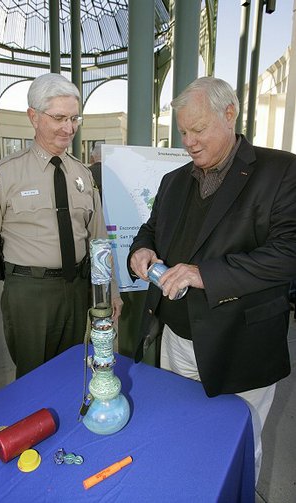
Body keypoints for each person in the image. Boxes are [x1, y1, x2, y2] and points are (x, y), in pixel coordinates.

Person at [127, 76, 296, 482]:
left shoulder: (282, 170)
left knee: (238, 444)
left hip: (241, 343)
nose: (189, 140)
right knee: (182, 432)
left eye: (199, 128)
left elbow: (288, 253)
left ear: (230, 113)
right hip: (177, 339)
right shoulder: (173, 180)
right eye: (184, 131)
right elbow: (151, 229)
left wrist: (205, 274)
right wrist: (142, 249)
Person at [0, 73, 122, 378]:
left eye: (74, 118)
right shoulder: (3, 175)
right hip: (29, 295)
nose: (69, 128)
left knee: (75, 373)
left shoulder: (83, 175)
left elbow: (98, 242)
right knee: (32, 379)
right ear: (34, 116)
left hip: (77, 291)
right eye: (59, 118)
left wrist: (111, 293)